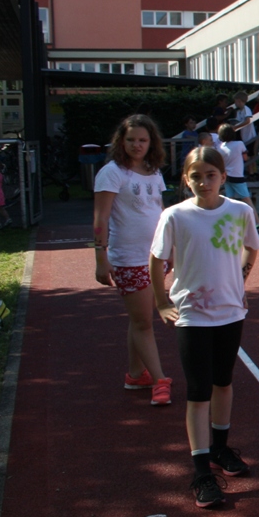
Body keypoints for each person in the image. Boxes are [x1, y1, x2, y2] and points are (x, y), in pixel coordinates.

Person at [150, 146, 259, 508]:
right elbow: (157, 259)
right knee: (198, 392)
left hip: (230, 312)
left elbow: (251, 247)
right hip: (193, 315)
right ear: (186, 179)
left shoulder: (240, 211)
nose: (204, 182)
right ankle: (201, 472)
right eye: (196, 176)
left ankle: (220, 449)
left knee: (223, 383)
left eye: (210, 175)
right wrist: (162, 302)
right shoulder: (175, 216)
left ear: (223, 176)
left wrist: (239, 280)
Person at [93, 114, 173, 406]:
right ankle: (159, 380)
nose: (137, 145)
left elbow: (160, 212)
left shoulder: (154, 172)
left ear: (151, 142)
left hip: (154, 256)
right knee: (143, 323)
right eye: (131, 140)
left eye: (142, 140)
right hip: (128, 258)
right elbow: (101, 218)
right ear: (121, 141)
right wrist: (101, 258)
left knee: (140, 319)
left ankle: (136, 373)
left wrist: (169, 247)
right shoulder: (112, 173)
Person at [217, 123, 259, 231]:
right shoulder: (239, 144)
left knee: (230, 200)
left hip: (227, 177)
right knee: (247, 199)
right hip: (237, 176)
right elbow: (245, 158)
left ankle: (229, 223)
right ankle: (258, 223)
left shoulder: (221, 148)